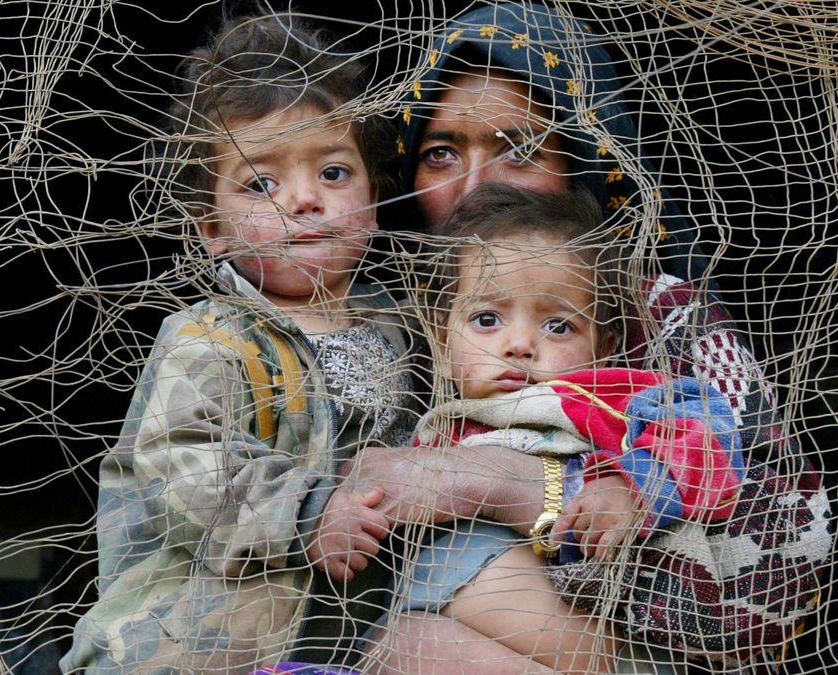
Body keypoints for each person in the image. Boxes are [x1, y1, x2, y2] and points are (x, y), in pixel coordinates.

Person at [334, 1, 830, 671]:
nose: (475, 189)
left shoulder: (661, 319)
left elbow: (789, 567)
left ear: (586, 160)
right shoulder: (375, 331)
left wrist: (522, 489)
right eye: (441, 153)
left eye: (519, 148)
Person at [60, 14, 420, 673]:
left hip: (338, 634)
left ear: (373, 201)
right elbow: (184, 461)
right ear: (212, 230)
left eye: (335, 173)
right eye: (262, 183)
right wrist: (310, 509)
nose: (305, 199)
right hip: (187, 641)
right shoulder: (207, 336)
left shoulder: (405, 328)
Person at [359, 183, 747, 674]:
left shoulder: (602, 396)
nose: (519, 344)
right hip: (469, 636)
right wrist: (351, 514)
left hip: (592, 632)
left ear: (604, 345)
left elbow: (707, 432)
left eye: (558, 326)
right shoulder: (436, 428)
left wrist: (633, 490)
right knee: (397, 645)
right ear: (441, 332)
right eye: (485, 318)